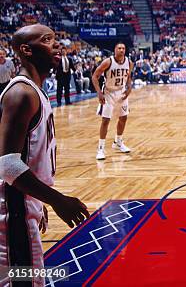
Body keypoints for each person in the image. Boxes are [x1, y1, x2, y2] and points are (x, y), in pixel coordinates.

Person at [0, 25, 89, 284]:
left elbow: (26, 155)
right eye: (48, 40)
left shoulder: (35, 90)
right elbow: (7, 164)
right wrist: (57, 200)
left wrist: (36, 197)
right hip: (12, 213)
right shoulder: (21, 93)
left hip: (22, 204)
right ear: (26, 50)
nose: (57, 45)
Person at [91, 42, 132, 160]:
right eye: (119, 48)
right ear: (115, 50)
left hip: (122, 92)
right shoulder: (108, 62)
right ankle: (100, 149)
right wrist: (99, 92)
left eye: (123, 48)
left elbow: (129, 77)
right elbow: (95, 76)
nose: (121, 50)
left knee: (123, 118)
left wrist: (129, 88)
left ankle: (118, 142)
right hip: (108, 93)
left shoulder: (129, 62)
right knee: (105, 120)